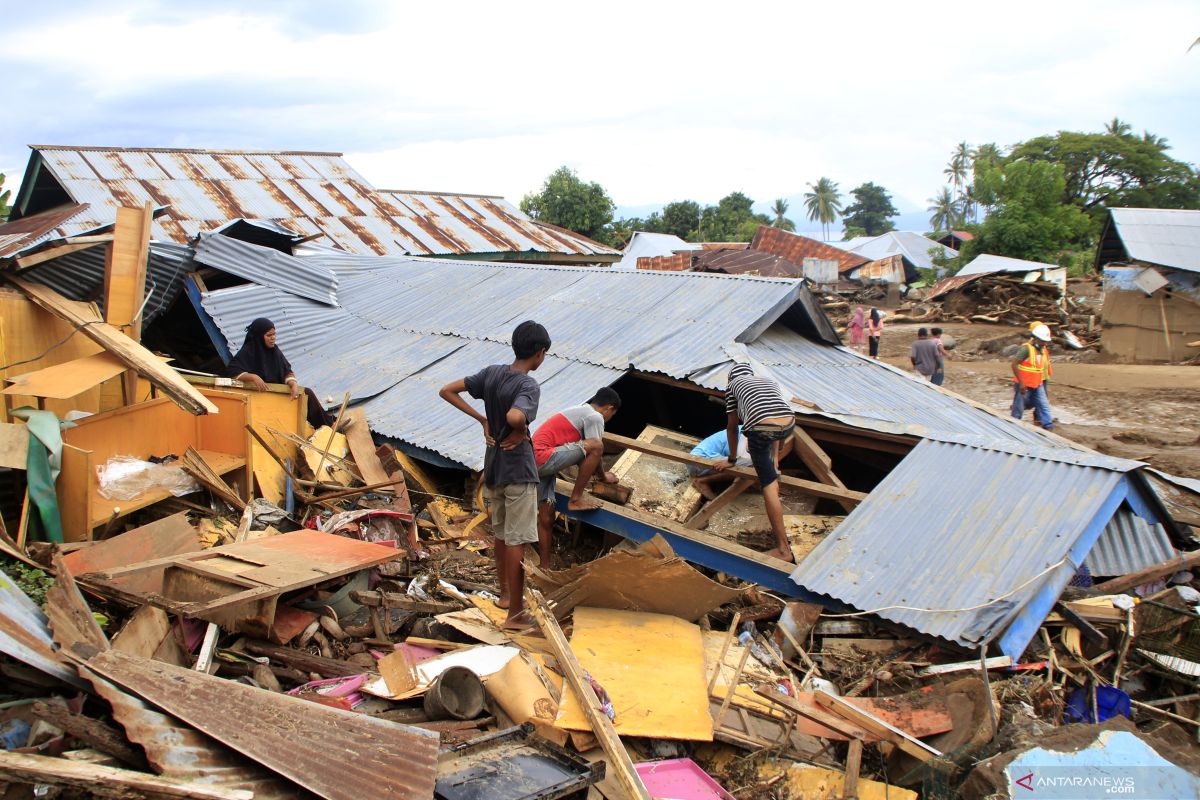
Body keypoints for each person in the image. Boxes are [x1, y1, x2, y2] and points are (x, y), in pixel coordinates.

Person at [439, 320, 550, 629]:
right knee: (518, 540)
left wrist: (483, 420)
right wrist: (522, 427)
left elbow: (446, 390)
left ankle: (504, 596)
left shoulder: (491, 373)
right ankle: (516, 613)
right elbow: (516, 415)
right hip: (518, 472)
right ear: (540, 354)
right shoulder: (528, 385)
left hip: (495, 467)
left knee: (501, 535)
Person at [531, 387, 622, 569]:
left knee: (546, 517)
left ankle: (545, 566)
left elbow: (583, 456)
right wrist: (604, 477)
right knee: (596, 445)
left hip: (536, 462)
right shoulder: (594, 416)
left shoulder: (577, 410)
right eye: (612, 415)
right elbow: (596, 449)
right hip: (542, 458)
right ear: (609, 409)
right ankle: (576, 498)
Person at [719, 364, 796, 563]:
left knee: (768, 485)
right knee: (769, 435)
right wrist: (776, 459)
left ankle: (783, 549)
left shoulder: (733, 385)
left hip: (761, 426)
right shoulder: (768, 381)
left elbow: (732, 428)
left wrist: (731, 460)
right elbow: (774, 422)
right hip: (789, 424)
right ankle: (774, 467)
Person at [227, 317, 331, 430]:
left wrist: (293, 384)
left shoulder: (275, 351)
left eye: (274, 334)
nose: (273, 338)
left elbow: (286, 371)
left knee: (307, 394)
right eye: (268, 335)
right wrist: (252, 377)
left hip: (280, 394)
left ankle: (326, 427)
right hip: (261, 399)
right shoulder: (247, 352)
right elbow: (232, 371)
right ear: (258, 337)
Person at [1011, 322, 1054, 430]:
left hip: (1037, 383)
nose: (1044, 344)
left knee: (1043, 403)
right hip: (1024, 383)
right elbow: (1014, 364)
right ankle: (1014, 424)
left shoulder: (1042, 350)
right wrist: (1021, 383)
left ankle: (1048, 424)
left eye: (1045, 341)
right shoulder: (1026, 349)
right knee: (1019, 406)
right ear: (1035, 338)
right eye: (1042, 341)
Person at [689, 427, 751, 499]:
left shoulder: (743, 428)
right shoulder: (746, 433)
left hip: (694, 461)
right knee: (750, 465)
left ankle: (705, 479)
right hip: (700, 461)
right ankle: (702, 481)